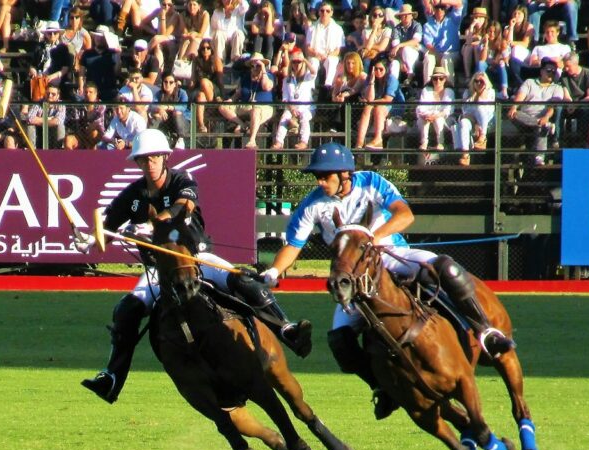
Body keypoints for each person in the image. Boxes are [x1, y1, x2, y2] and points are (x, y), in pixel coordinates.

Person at [259, 141, 515, 419]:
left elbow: (405, 214)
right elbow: (293, 245)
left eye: (325, 175)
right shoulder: (313, 204)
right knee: (340, 342)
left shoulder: (371, 182)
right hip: (355, 278)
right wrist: (273, 273)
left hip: (391, 254)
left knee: (447, 269)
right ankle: (383, 388)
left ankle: (486, 331)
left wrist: (372, 238)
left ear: (344, 173)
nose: (320, 181)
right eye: (317, 176)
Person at [76, 128, 312, 403]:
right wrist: (89, 239)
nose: (149, 163)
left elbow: (182, 207)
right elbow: (105, 227)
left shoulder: (181, 179)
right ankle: (112, 378)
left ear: (165, 156)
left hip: (197, 259)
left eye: (154, 157)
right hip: (159, 271)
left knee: (246, 283)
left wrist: (152, 224)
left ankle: (287, 330)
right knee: (126, 311)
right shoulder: (133, 194)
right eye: (143, 159)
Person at [507, 57, 565, 165]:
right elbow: (520, 96)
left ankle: (539, 157)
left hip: (542, 118)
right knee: (515, 114)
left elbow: (552, 107)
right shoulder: (529, 82)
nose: (551, 73)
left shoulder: (557, 88)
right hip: (524, 117)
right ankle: (545, 125)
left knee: (541, 126)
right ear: (541, 71)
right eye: (548, 70)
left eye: (553, 71)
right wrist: (514, 107)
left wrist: (546, 117)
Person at [219, 52, 275, 149]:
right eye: (253, 65)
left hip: (263, 107)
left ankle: (252, 141)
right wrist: (230, 100)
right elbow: (238, 93)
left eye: (258, 65)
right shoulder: (246, 77)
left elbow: (266, 87)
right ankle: (243, 124)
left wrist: (263, 70)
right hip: (245, 106)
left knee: (255, 110)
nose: (255, 68)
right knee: (223, 107)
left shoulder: (269, 76)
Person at [271, 48, 317, 150]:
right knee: (284, 118)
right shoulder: (287, 80)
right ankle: (279, 142)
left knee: (305, 118)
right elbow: (285, 98)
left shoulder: (308, 77)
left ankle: (303, 142)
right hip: (292, 107)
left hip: (306, 107)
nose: (296, 64)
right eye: (294, 62)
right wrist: (291, 109)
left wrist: (303, 59)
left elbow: (314, 71)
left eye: (298, 62)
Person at [453, 72, 495, 165]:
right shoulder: (467, 92)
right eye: (476, 81)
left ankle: (483, 138)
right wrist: (474, 95)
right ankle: (465, 154)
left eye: (481, 81)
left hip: (486, 119)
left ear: (486, 82)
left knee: (480, 107)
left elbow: (489, 109)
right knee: (463, 122)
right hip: (470, 117)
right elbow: (465, 109)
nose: (478, 83)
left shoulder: (490, 92)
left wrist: (481, 93)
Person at [415, 65, 453, 162]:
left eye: (441, 78)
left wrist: (436, 115)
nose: (438, 81)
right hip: (426, 117)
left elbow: (448, 110)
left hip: (443, 119)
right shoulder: (426, 90)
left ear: (445, 79)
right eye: (435, 78)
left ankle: (440, 142)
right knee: (424, 118)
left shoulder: (449, 91)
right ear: (432, 80)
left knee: (438, 117)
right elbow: (421, 107)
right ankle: (424, 143)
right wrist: (427, 115)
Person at [304, 1, 344, 90]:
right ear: (318, 12)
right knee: (313, 62)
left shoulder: (338, 29)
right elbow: (308, 48)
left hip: (330, 55)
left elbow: (338, 50)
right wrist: (316, 54)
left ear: (332, 12)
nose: (324, 13)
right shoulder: (312, 28)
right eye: (322, 11)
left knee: (331, 61)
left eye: (327, 11)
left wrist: (327, 55)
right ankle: (310, 87)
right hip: (315, 55)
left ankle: (328, 85)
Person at [388, 4, 422, 84]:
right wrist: (401, 61)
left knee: (407, 49)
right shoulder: (396, 29)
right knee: (394, 63)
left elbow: (415, 40)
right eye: (403, 15)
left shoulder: (417, 25)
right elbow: (395, 47)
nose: (406, 17)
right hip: (401, 55)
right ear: (400, 17)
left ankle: (410, 74)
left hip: (416, 53)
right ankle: (392, 86)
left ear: (412, 16)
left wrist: (400, 45)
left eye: (408, 15)